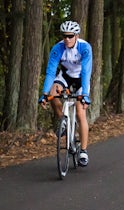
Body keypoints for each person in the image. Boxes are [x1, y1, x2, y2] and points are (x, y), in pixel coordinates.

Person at [38, 21, 93, 167]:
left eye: (70, 36)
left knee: (81, 112)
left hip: (81, 78)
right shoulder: (58, 48)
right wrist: (44, 93)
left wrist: (85, 95)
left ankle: (83, 151)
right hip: (66, 76)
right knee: (52, 94)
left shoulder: (85, 47)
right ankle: (64, 121)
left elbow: (87, 72)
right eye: (64, 36)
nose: (67, 39)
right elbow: (51, 72)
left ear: (76, 36)